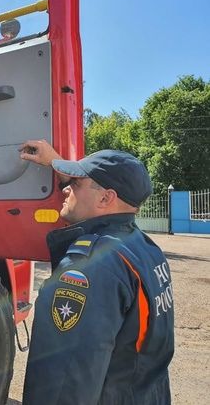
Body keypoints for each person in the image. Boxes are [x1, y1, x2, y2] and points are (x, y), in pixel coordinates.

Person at [19, 140, 174, 405]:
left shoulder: (90, 268)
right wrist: (57, 162)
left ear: (105, 198)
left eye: (76, 183)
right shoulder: (145, 248)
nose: (66, 189)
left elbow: (63, 386)